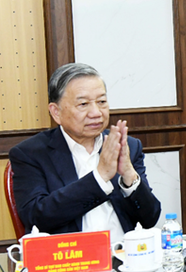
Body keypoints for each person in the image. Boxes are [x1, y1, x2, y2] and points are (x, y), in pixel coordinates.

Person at [9, 63, 161, 237]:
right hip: (70, 258)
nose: (96, 112)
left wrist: (129, 176)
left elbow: (150, 218)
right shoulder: (30, 154)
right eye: (83, 104)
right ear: (56, 112)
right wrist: (99, 177)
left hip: (126, 257)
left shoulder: (127, 147)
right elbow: (36, 217)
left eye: (102, 102)